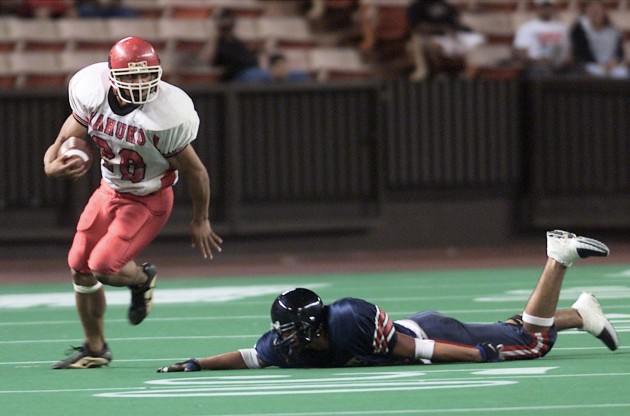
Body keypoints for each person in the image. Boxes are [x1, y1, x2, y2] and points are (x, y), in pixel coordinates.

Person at [158, 230, 617, 372]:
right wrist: (197, 363)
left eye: (297, 332)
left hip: (434, 335)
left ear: (318, 325)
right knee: (506, 331)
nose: (289, 342)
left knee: (531, 342)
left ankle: (558, 258)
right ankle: (579, 315)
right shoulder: (288, 344)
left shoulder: (348, 321)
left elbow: (421, 351)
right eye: (287, 334)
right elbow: (249, 356)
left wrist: (475, 357)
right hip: (422, 331)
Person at [43, 36, 223, 369]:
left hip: (147, 197)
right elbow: (67, 136)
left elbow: (196, 172)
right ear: (111, 76)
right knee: (79, 267)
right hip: (109, 190)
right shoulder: (92, 92)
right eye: (131, 76)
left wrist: (201, 219)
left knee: (103, 265)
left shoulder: (168, 114)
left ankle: (142, 278)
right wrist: (51, 163)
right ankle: (95, 348)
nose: (140, 83)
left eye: (146, 75)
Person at [406, 0, 486, 81]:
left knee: (478, 41)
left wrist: (457, 29)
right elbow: (418, 27)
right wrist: (442, 28)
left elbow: (455, 18)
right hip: (433, 37)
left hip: (454, 35)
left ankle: (468, 76)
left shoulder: (443, 4)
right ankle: (439, 73)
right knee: (430, 46)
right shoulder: (416, 6)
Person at [570, 0, 628, 79]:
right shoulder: (579, 29)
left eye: (597, 10)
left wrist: (614, 61)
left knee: (622, 73)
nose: (595, 13)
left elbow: (619, 53)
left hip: (610, 66)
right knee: (594, 72)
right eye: (592, 10)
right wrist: (598, 64)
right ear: (586, 11)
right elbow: (580, 53)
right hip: (590, 64)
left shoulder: (612, 30)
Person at [513, 0, 572, 77]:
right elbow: (520, 54)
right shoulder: (527, 28)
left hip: (560, 66)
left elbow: (570, 52)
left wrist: (565, 61)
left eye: (548, 6)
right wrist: (540, 62)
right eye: (543, 6)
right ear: (537, 8)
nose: (546, 9)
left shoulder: (563, 28)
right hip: (536, 67)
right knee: (541, 71)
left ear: (553, 8)